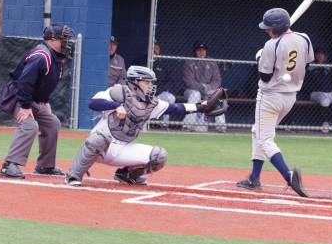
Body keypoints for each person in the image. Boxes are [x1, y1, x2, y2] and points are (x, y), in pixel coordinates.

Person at [64, 66, 227, 186]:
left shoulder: (152, 103)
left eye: (151, 82)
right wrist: (114, 106)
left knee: (159, 156)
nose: (150, 86)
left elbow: (175, 107)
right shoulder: (119, 92)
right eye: (146, 82)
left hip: (122, 150)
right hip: (101, 148)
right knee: (97, 139)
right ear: (135, 82)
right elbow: (93, 103)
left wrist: (201, 106)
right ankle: (73, 175)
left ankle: (126, 174)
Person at [236, 8, 313, 197]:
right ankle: (254, 178)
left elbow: (265, 75)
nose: (266, 30)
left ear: (277, 28)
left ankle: (289, 176)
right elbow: (307, 65)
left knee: (264, 139)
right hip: (290, 97)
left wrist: (260, 58)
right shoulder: (304, 38)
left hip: (270, 97)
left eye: (269, 28)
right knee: (258, 132)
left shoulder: (271, 45)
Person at [0, 24, 75, 178]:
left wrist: (44, 101)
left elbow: (45, 83)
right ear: (52, 40)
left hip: (33, 99)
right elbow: (25, 82)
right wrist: (25, 107)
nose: (67, 41)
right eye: (64, 38)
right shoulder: (41, 56)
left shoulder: (56, 58)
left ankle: (45, 166)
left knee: (53, 123)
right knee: (29, 125)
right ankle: (9, 165)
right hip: (18, 96)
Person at [182, 42, 226, 132]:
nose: (201, 52)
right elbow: (189, 81)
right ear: (195, 52)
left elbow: (217, 80)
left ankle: (221, 126)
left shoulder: (212, 62)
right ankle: (187, 125)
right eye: (199, 50)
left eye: (203, 50)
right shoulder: (189, 62)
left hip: (208, 90)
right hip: (191, 91)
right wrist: (202, 88)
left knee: (217, 95)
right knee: (195, 95)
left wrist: (207, 88)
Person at [134, 42, 177, 129]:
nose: (155, 50)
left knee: (170, 98)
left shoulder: (163, 62)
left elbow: (171, 80)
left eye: (157, 48)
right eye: (152, 48)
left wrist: (163, 89)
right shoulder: (141, 61)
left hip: (160, 92)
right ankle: (142, 125)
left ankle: (164, 125)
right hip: (143, 92)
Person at [300, 48, 332, 133]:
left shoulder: (329, 68)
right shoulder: (310, 68)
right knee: (325, 101)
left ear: (325, 57)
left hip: (329, 92)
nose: (320, 56)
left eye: (322, 54)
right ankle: (325, 123)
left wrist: (330, 89)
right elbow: (306, 84)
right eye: (318, 54)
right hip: (315, 93)